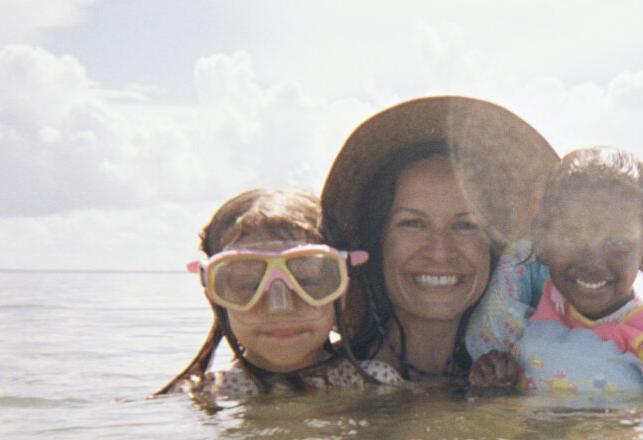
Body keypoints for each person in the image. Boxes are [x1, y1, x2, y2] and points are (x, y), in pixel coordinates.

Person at [320, 96, 558, 382]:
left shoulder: (529, 382)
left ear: (495, 249)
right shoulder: (321, 383)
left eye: (465, 226)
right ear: (376, 243)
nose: (440, 252)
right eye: (413, 224)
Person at [468, 147, 643, 390]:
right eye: (571, 238)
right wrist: (496, 383)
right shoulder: (527, 316)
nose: (592, 262)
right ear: (543, 243)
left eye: (615, 243)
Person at [152, 188, 401, 402]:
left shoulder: (375, 382)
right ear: (213, 294)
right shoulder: (202, 394)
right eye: (249, 284)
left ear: (344, 287)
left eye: (307, 280)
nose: (279, 307)